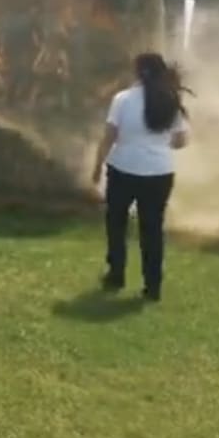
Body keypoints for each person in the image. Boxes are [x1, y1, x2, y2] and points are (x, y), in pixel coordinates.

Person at [91, 52, 191, 302]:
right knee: (152, 229)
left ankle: (116, 274)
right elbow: (180, 141)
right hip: (159, 173)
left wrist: (97, 166)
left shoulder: (122, 99)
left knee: (116, 224)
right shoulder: (170, 99)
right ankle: (153, 286)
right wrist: (158, 142)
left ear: (137, 72)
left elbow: (109, 136)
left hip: (123, 169)